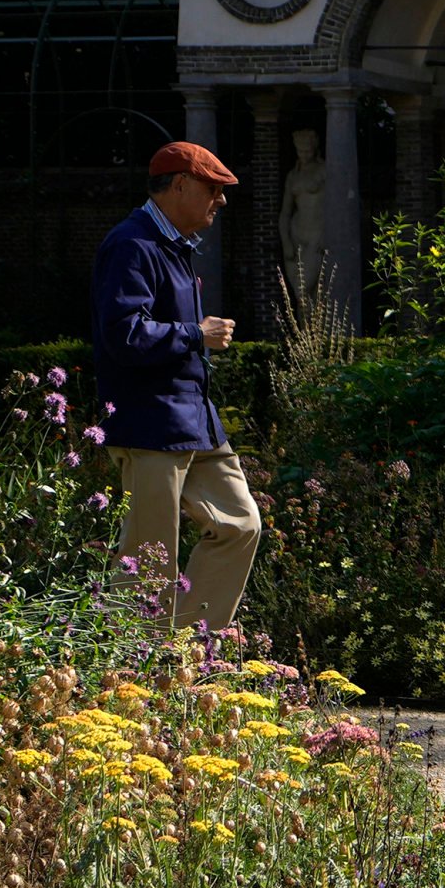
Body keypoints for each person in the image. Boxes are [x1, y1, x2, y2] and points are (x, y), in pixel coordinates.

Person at [92, 139, 259, 624]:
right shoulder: (132, 243)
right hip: (150, 424)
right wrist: (196, 333)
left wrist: (193, 337)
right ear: (181, 185)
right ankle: (131, 673)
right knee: (149, 558)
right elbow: (123, 334)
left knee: (240, 524)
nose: (221, 200)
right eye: (214, 188)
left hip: (194, 420)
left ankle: (186, 650)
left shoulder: (169, 244)